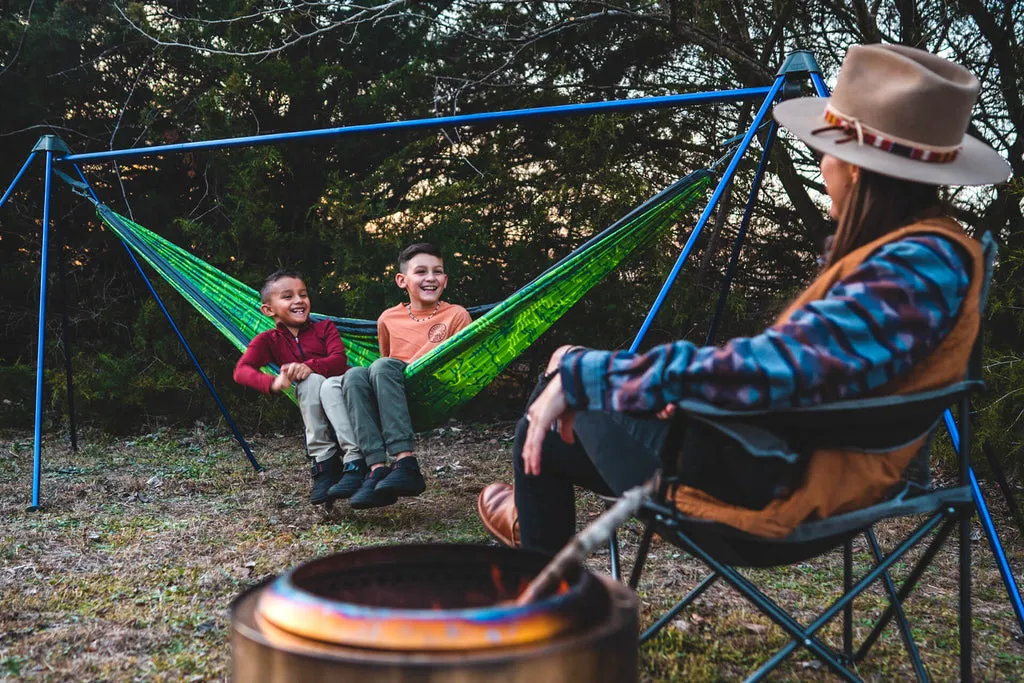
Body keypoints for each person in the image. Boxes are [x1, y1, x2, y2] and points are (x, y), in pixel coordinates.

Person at [477, 43, 1011, 554]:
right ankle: (539, 545)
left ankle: (540, 569)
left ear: (853, 166)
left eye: (823, 153)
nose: (822, 168)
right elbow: (815, 379)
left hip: (783, 489)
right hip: (791, 460)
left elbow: (787, 367)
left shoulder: (917, 266)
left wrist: (594, 375)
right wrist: (692, 395)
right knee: (563, 401)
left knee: (565, 381)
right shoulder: (923, 255)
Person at [323, 242, 472, 509]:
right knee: (355, 375)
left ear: (445, 280)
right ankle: (377, 467)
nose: (430, 278)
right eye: (421, 272)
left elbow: (462, 365)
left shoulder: (456, 315)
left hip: (432, 390)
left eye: (437, 272)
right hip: (394, 395)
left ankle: (405, 461)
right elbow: (386, 358)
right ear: (402, 280)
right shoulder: (388, 319)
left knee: (381, 366)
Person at [233, 269, 358, 505]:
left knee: (319, 380)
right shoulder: (268, 340)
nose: (299, 301)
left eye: (303, 294)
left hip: (343, 392)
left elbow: (339, 360)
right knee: (310, 382)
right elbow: (242, 371)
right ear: (268, 310)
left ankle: (354, 459)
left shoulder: (325, 328)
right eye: (288, 296)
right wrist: (274, 382)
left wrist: (309, 366)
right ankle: (325, 463)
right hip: (312, 397)